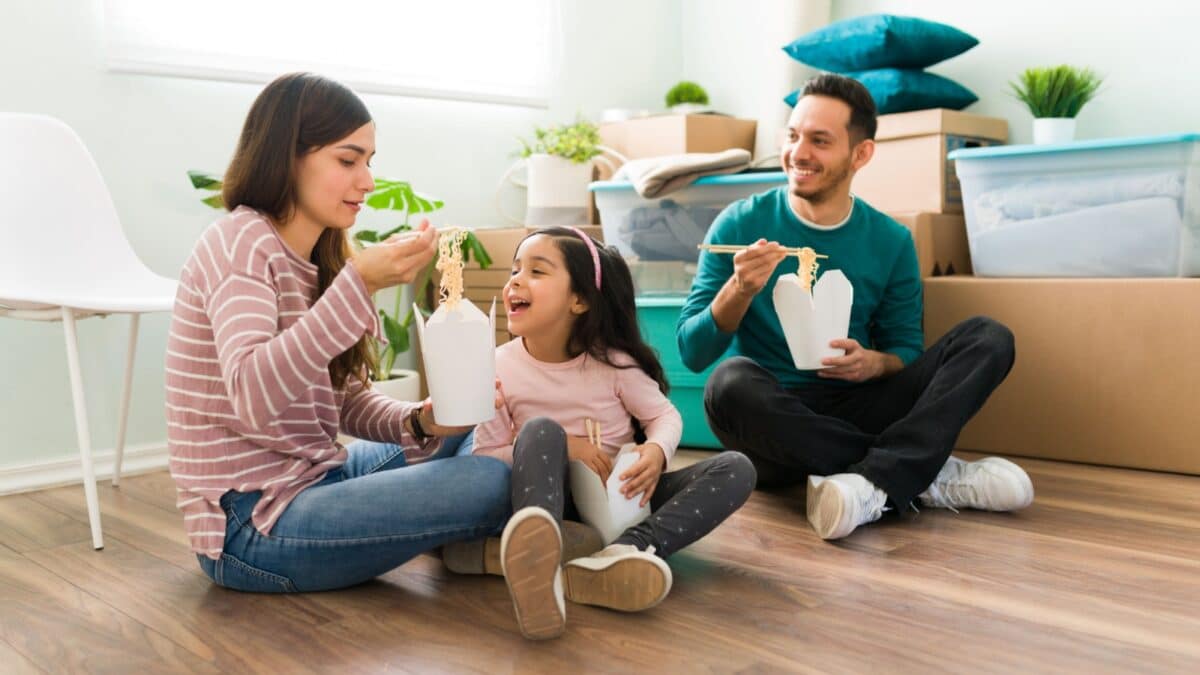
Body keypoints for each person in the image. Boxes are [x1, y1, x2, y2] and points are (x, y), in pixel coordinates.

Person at [165, 72, 516, 594]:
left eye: (369, 162)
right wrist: (362, 283)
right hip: (251, 525)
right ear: (288, 156)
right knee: (493, 477)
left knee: (474, 428)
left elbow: (341, 402)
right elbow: (254, 395)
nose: (368, 181)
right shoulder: (240, 246)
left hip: (317, 479)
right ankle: (496, 530)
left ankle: (469, 536)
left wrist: (423, 422)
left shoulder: (320, 254)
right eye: (348, 160)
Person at [678, 73, 1033, 542]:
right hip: (775, 425)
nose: (798, 153)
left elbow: (905, 347)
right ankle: (921, 475)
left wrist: (873, 363)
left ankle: (879, 477)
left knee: (988, 338)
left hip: (856, 404)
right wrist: (739, 289)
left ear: (860, 154)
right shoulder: (740, 224)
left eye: (819, 141)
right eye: (792, 136)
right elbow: (692, 351)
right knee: (727, 385)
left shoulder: (890, 240)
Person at [467, 226, 756, 639]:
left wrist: (656, 451)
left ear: (580, 299)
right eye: (514, 269)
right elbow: (485, 455)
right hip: (543, 504)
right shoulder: (495, 366)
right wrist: (566, 447)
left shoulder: (614, 363)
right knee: (542, 431)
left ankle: (628, 548)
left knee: (737, 468)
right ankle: (543, 560)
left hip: (622, 500)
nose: (515, 279)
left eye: (536, 270)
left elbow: (666, 417)